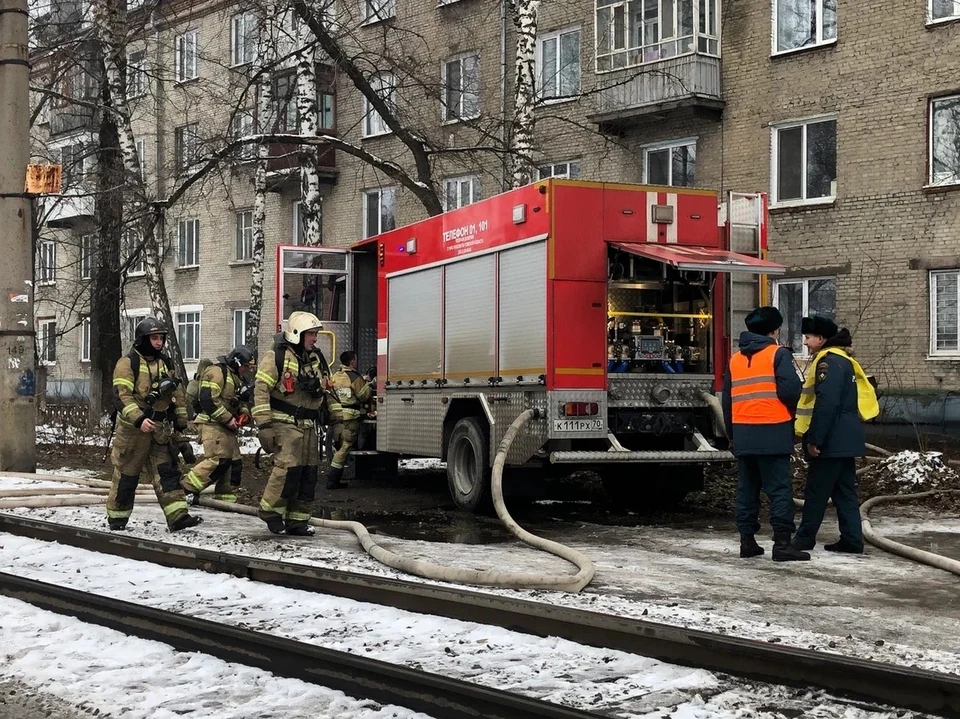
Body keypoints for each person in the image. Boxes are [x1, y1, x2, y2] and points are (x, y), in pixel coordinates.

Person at [722, 306, 809, 562]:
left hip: (744, 433)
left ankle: (747, 542)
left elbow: (727, 400)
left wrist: (732, 434)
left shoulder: (735, 359)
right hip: (773, 431)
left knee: (747, 489)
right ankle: (782, 544)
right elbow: (791, 391)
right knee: (779, 490)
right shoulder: (778, 354)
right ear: (775, 330)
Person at [792, 315, 879, 554]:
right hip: (847, 439)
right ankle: (852, 540)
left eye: (808, 338)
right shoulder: (845, 361)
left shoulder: (827, 363)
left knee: (816, 493)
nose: (807, 343)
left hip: (830, 441)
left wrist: (814, 439)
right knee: (844, 493)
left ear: (821, 338)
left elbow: (826, 404)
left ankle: (803, 540)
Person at [107, 317, 203, 532]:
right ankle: (117, 518)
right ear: (143, 339)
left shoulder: (166, 363)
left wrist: (180, 421)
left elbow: (176, 393)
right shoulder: (127, 363)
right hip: (133, 432)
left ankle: (178, 516)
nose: (159, 343)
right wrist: (139, 419)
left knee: (167, 472)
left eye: (161, 338)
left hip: (160, 430)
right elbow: (121, 396)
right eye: (154, 338)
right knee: (127, 476)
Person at [252, 311, 330, 535]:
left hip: (309, 426)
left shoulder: (316, 358)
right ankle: (270, 512)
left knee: (308, 473)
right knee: (287, 470)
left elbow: (327, 391)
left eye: (315, 334)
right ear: (297, 334)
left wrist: (338, 421)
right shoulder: (276, 356)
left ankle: (298, 521)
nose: (315, 338)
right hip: (284, 424)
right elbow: (261, 391)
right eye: (311, 334)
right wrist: (265, 426)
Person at [181, 345, 256, 504]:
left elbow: (241, 402)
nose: (246, 370)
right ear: (236, 362)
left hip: (226, 426)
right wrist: (228, 418)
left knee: (234, 463)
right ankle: (186, 489)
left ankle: (225, 499)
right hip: (211, 423)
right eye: (244, 366)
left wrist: (244, 414)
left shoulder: (237, 378)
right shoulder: (217, 372)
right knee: (218, 460)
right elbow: (208, 399)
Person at [326, 350, 373, 490]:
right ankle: (332, 480)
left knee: (339, 446)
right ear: (352, 362)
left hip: (336, 416)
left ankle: (333, 479)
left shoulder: (335, 376)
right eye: (356, 360)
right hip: (350, 417)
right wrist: (368, 384)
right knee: (345, 447)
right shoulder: (354, 377)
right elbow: (364, 395)